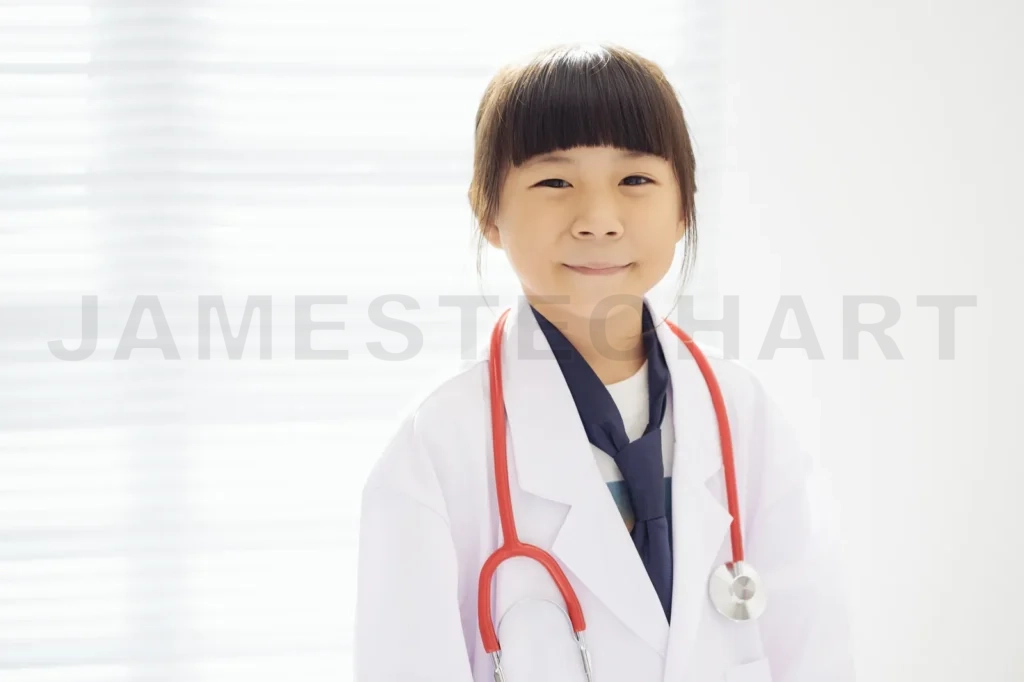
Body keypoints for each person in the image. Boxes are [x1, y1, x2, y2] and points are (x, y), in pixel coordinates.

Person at [354, 43, 855, 682]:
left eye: (635, 180)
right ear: (488, 213)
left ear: (685, 207)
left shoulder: (742, 413)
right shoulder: (437, 447)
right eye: (555, 182)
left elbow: (815, 650)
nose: (598, 220)